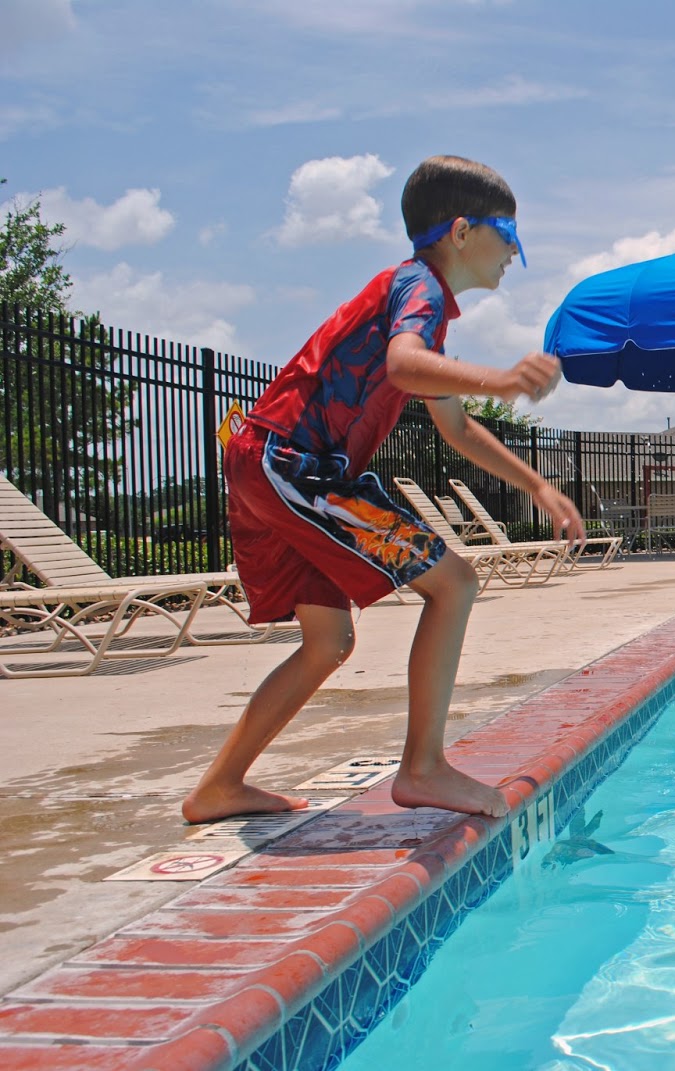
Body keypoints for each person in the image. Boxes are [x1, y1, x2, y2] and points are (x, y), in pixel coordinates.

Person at [183, 155, 584, 824]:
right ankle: (422, 767)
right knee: (454, 584)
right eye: (509, 234)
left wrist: (537, 484)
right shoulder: (418, 289)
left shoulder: (419, 309)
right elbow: (403, 365)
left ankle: (219, 786)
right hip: (296, 465)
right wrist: (504, 379)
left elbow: (455, 427)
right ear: (462, 232)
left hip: (264, 461)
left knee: (328, 641)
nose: (515, 254)